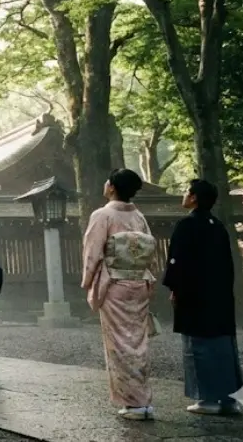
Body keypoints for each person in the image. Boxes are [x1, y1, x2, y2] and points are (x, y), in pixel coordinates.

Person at [163, 179, 243, 416]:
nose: (184, 195)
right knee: (223, 345)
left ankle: (207, 398)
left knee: (198, 345)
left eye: (186, 191)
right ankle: (229, 400)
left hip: (194, 296)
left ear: (194, 197)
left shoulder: (187, 225)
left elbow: (177, 261)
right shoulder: (217, 226)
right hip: (219, 296)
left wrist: (174, 287)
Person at [82, 168, 158, 421]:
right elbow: (148, 250)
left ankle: (133, 402)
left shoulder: (102, 215)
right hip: (139, 283)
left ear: (112, 186)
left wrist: (87, 280)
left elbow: (93, 252)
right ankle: (144, 401)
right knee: (138, 341)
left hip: (115, 284)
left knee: (119, 342)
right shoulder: (138, 217)